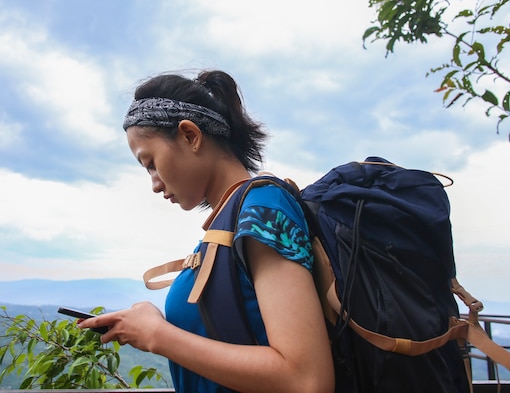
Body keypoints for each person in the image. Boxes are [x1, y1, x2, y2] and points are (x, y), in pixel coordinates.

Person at [78, 69, 335, 393]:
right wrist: (150, 322)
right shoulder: (230, 223)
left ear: (190, 136)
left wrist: (158, 335)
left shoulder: (264, 211)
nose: (155, 184)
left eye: (151, 163)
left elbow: (306, 380)